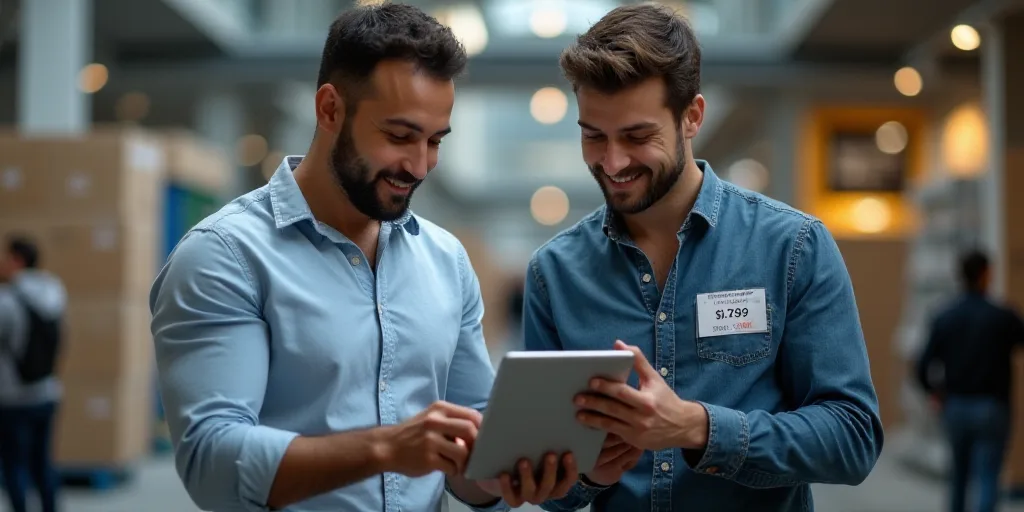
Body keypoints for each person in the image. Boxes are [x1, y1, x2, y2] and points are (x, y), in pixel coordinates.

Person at [150, 3, 578, 511]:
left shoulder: (446, 261)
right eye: (399, 136)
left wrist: (519, 471)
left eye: (435, 141)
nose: (419, 165)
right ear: (330, 109)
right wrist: (385, 448)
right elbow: (212, 463)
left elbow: (469, 465)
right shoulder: (225, 257)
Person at [522, 4, 885, 511]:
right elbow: (549, 490)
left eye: (637, 136)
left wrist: (699, 428)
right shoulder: (554, 274)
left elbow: (853, 438)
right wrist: (589, 475)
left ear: (692, 116)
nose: (613, 162)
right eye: (593, 136)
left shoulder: (792, 246)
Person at [916, 250, 1024, 512]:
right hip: (992, 407)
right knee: (988, 477)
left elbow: (923, 365)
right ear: (987, 274)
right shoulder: (1002, 316)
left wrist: (936, 392)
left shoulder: (945, 316)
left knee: (959, 478)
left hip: (956, 406)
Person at [0, 235, 65, 512]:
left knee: (14, 466)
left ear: (17, 259)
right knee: (43, 464)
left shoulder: (6, 300)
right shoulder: (54, 290)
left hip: (13, 396)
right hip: (48, 391)